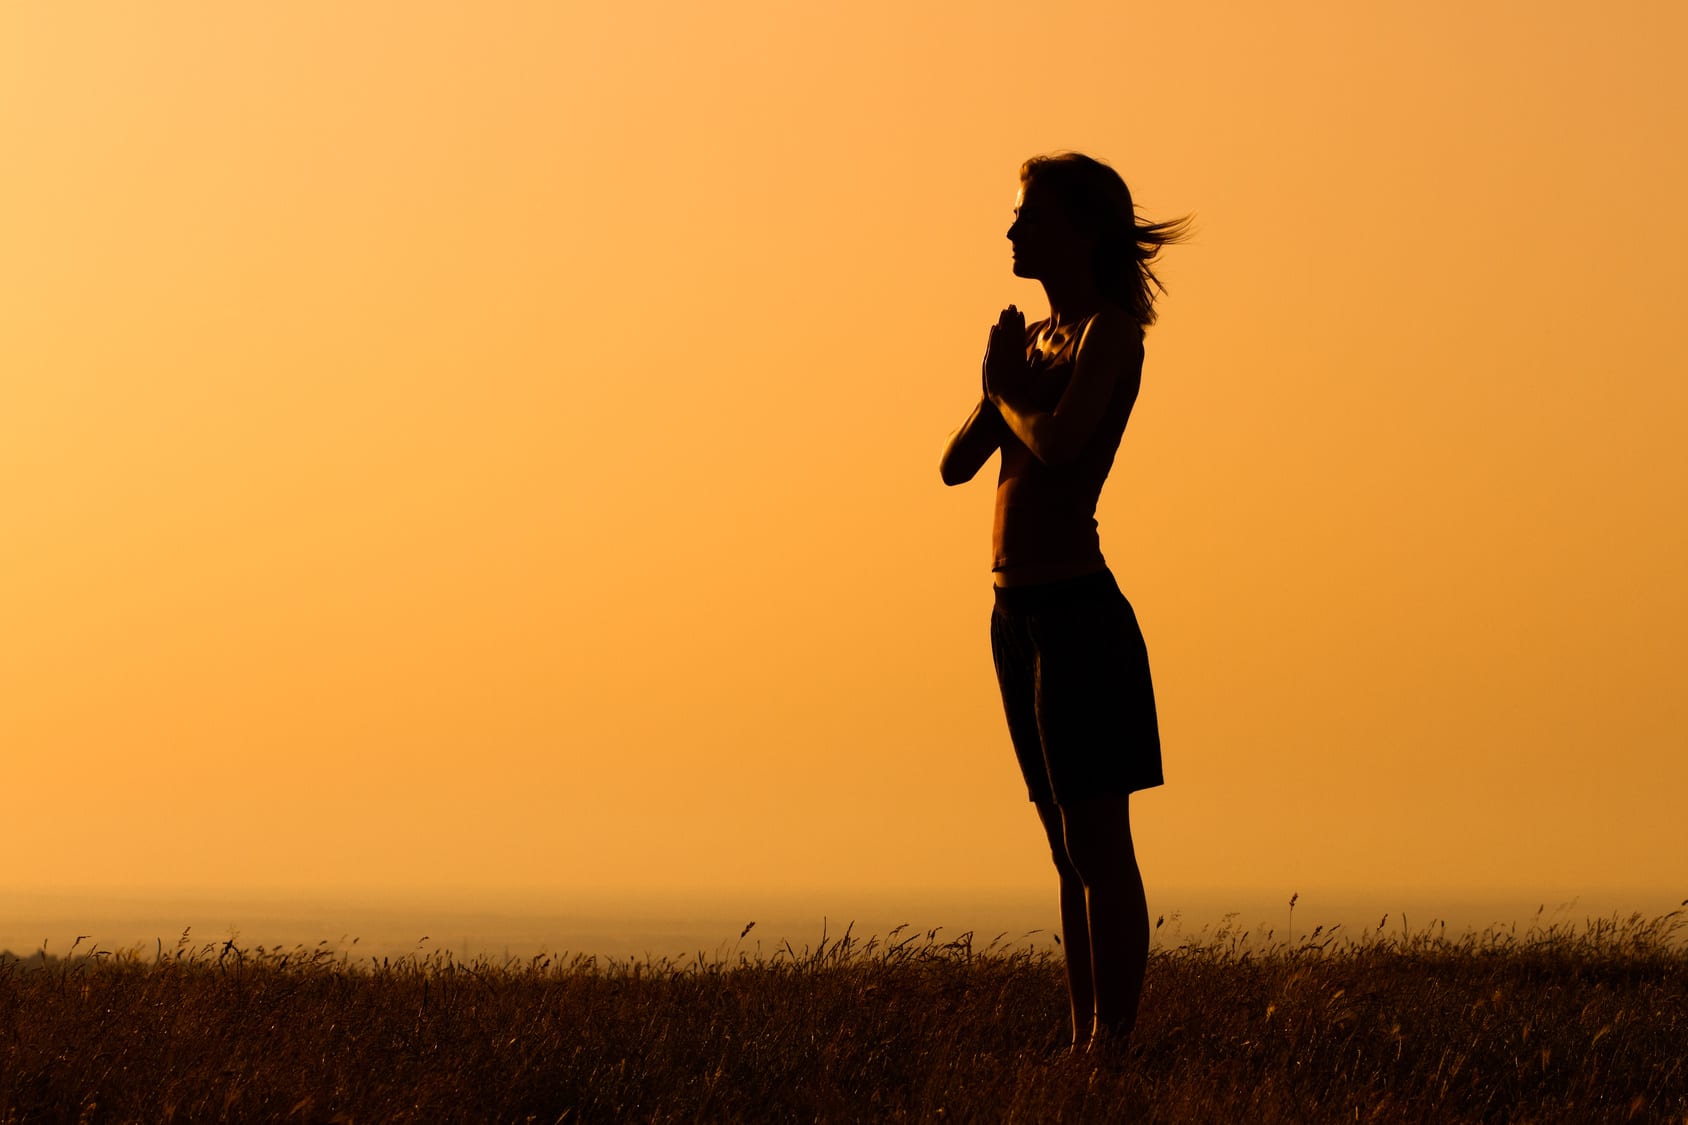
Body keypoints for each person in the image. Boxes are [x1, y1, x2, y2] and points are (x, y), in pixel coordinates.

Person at [939, 152, 1189, 1053]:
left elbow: (1060, 442)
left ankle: (1111, 1048)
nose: (1012, 232)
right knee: (1061, 848)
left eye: (1028, 217)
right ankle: (1084, 1040)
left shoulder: (1110, 333)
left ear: (1080, 230)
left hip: (1082, 614)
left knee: (1098, 847)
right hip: (1016, 616)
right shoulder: (1039, 340)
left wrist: (1009, 388)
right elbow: (955, 464)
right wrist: (996, 376)